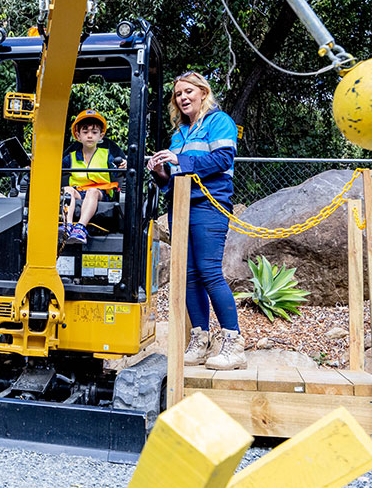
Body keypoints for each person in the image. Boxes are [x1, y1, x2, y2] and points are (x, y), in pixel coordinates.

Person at [147, 71, 244, 370]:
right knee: (187, 275)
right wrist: (159, 169)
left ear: (203, 92)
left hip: (209, 205)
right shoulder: (179, 134)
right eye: (178, 94)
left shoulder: (219, 121)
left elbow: (222, 160)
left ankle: (233, 342)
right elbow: (171, 179)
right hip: (181, 206)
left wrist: (179, 160)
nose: (183, 97)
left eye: (188, 91)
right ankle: (200, 341)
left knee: (208, 271)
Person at [61, 109, 126, 245]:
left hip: (100, 192)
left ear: (101, 136)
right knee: (67, 190)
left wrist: (122, 166)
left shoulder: (106, 154)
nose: (90, 136)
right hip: (79, 191)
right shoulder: (71, 157)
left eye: (94, 132)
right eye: (85, 132)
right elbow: (56, 167)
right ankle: (67, 226)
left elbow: (116, 170)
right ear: (78, 135)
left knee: (92, 192)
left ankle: (80, 227)